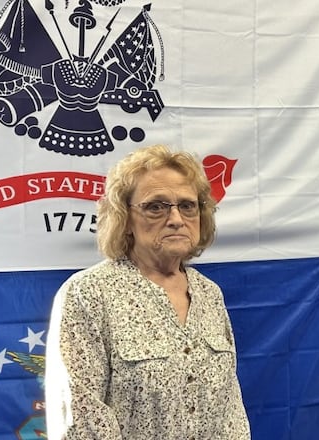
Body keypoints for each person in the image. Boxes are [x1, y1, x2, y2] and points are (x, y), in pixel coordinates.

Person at [45, 144, 251, 439]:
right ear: (125, 218)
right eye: (156, 207)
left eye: (187, 206)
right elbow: (81, 418)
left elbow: (230, 409)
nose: (176, 219)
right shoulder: (87, 294)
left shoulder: (209, 294)